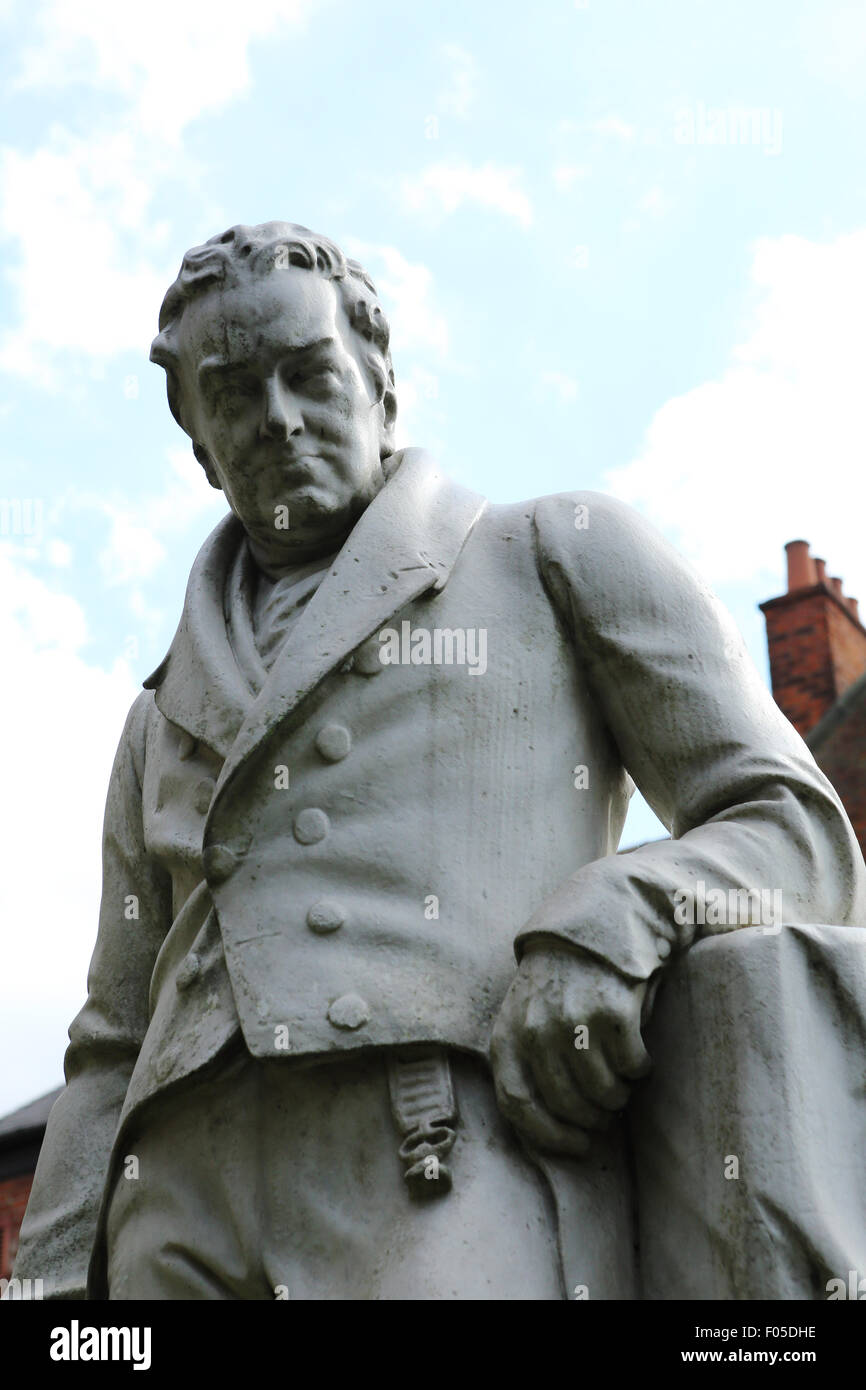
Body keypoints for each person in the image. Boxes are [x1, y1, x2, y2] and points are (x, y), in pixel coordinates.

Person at [13, 222, 866, 1299]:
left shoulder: (554, 551)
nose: (276, 418)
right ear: (197, 445)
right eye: (232, 393)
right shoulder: (155, 715)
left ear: (379, 381)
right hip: (172, 1214)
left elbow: (795, 830)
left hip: (436, 1157)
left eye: (308, 372)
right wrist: (42, 1289)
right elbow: (110, 1040)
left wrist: (614, 916)